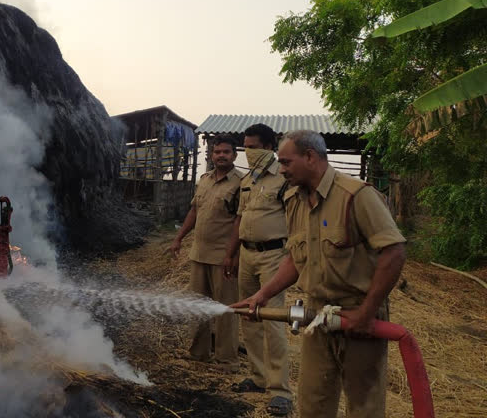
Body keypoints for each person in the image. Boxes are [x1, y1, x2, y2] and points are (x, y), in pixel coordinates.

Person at [232, 130, 406, 418]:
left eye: (287, 162)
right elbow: (295, 259)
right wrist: (263, 294)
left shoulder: (356, 195)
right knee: (313, 403)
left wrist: (367, 313)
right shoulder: (294, 200)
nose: (282, 169)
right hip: (317, 317)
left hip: (357, 318)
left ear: (310, 157)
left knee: (363, 406)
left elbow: (394, 252)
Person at [222, 124, 292, 416]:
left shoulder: (284, 180)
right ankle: (258, 376)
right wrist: (232, 253)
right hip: (247, 255)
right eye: (246, 147)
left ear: (269, 147)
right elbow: (240, 218)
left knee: (272, 320)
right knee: (248, 318)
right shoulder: (248, 180)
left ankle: (280, 391)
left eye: (253, 147)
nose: (248, 153)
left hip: (273, 255)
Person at [166, 134, 242, 369]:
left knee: (225, 308)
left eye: (226, 152)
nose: (221, 156)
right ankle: (198, 353)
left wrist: (233, 254)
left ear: (234, 155)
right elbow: (194, 212)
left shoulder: (242, 182)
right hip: (199, 254)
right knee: (197, 305)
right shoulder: (204, 180)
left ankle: (226, 358)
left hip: (224, 257)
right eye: (217, 152)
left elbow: (241, 222)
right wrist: (178, 238)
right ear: (211, 155)